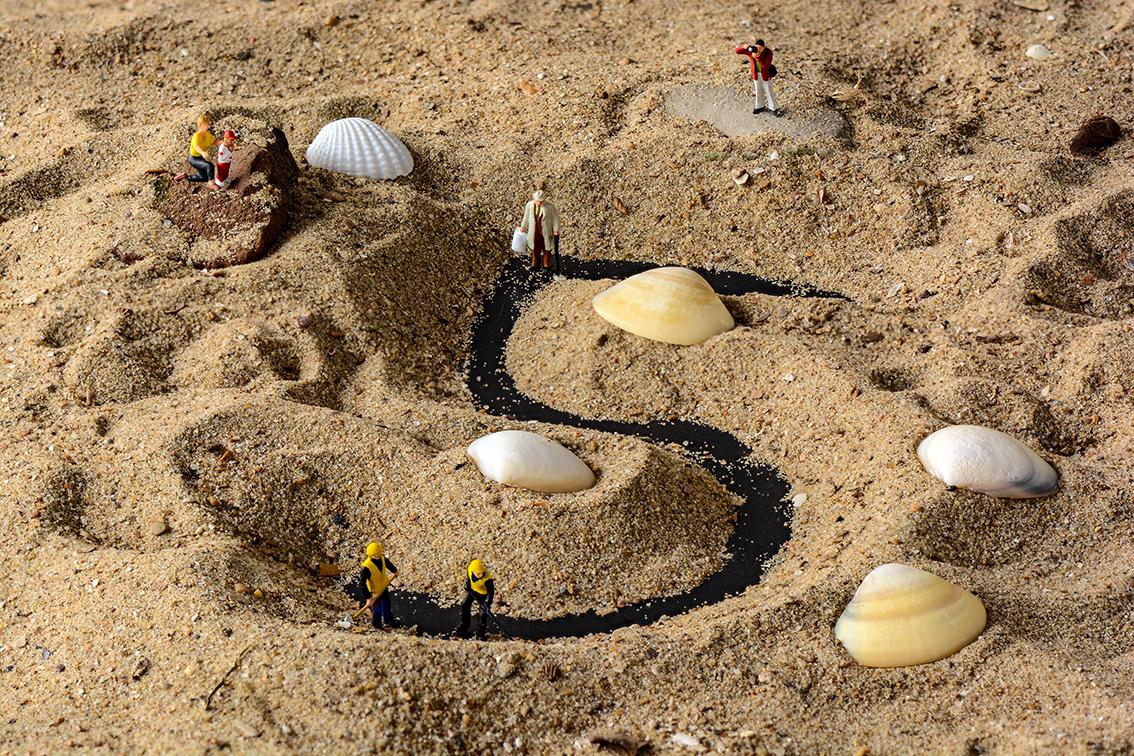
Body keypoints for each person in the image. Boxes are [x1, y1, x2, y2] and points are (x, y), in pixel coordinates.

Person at [357, 542, 398, 630]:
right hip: (374, 591)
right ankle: (377, 625)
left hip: (383, 586)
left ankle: (389, 621)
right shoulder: (366, 567)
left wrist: (394, 570)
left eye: (380, 554)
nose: (379, 556)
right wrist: (368, 598)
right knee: (377, 608)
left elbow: (388, 563)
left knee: (386, 604)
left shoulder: (381, 558)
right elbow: (362, 583)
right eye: (377, 555)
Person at [174, 111, 220, 188]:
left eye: (207, 125)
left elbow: (215, 141)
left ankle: (185, 177)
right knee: (209, 166)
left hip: (200, 157)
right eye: (204, 125)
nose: (206, 127)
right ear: (199, 126)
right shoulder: (196, 136)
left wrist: (225, 142)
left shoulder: (207, 134)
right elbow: (196, 146)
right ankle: (211, 184)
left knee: (204, 177)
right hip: (193, 158)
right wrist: (202, 152)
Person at [735, 39, 780, 116]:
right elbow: (737, 51)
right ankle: (759, 106)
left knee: (769, 91)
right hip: (756, 74)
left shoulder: (768, 52)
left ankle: (773, 108)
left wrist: (757, 57)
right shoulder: (752, 51)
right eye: (757, 47)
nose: (758, 49)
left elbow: (766, 65)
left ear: (763, 47)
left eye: (760, 48)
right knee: (758, 91)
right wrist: (744, 47)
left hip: (766, 75)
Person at [519, 190, 560, 273]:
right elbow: (526, 216)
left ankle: (546, 264)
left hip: (545, 231)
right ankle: (535, 264)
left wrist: (556, 229)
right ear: (534, 199)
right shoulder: (529, 205)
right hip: (534, 231)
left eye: (541, 202)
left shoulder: (550, 207)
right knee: (535, 248)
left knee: (546, 249)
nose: (539, 203)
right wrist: (523, 226)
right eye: (537, 201)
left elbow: (555, 218)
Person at [457, 559, 495, 640]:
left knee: (482, 614)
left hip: (484, 595)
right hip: (473, 591)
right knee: (465, 605)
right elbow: (469, 577)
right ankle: (464, 628)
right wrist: (467, 583)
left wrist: (487, 603)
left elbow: (491, 593)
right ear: (473, 571)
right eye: (478, 573)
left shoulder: (487, 579)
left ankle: (480, 634)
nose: (480, 575)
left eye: (481, 573)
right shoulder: (470, 568)